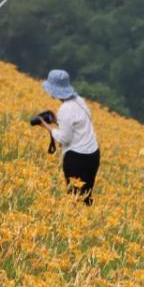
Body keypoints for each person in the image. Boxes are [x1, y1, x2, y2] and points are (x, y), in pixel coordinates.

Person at [36, 70, 100, 205]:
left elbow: (64, 139)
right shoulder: (80, 101)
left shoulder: (65, 109)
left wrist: (47, 126)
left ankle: (76, 223)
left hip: (77, 158)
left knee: (74, 198)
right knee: (86, 196)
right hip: (93, 155)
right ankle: (87, 220)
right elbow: (78, 124)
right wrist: (57, 121)